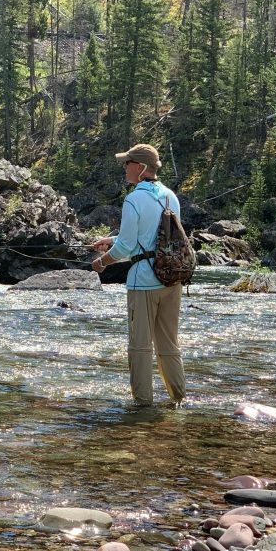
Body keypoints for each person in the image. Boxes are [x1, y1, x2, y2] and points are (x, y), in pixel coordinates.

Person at [90, 143, 186, 408]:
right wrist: (109, 239)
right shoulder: (170, 196)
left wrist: (102, 262)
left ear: (141, 167)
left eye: (128, 163)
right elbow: (152, 238)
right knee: (168, 343)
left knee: (140, 347)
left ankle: (143, 405)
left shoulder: (133, 199)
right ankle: (178, 398)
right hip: (171, 279)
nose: (125, 167)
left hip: (143, 282)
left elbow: (128, 247)